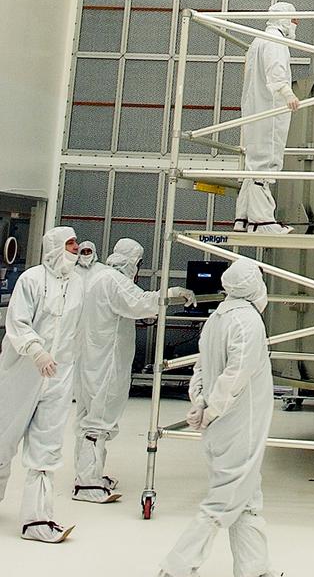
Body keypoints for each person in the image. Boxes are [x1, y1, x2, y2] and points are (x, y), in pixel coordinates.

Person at [156, 256, 280, 577]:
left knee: (248, 500)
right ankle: (176, 572)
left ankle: (255, 574)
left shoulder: (217, 319)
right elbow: (235, 375)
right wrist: (209, 408)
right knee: (221, 504)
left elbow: (201, 367)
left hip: (220, 427)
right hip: (240, 427)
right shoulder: (249, 322)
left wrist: (199, 402)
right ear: (253, 285)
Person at [73, 238, 195, 503]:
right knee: (98, 420)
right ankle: (86, 484)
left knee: (88, 417)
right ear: (133, 262)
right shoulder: (114, 281)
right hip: (106, 362)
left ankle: (89, 474)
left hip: (90, 360)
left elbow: (128, 306)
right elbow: (140, 302)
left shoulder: (98, 276)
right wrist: (173, 294)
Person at [0, 226, 82, 542]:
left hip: (58, 374)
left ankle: (37, 520)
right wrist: (36, 350)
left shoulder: (77, 285)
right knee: (3, 438)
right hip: (22, 371)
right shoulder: (32, 279)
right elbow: (17, 322)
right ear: (55, 247)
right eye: (70, 243)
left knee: (47, 446)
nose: (76, 248)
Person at [233, 1, 301, 235]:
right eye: (294, 20)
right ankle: (263, 222)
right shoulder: (275, 41)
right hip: (269, 109)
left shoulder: (258, 40)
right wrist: (287, 93)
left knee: (254, 163)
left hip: (255, 109)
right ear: (284, 19)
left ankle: (243, 218)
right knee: (266, 162)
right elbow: (276, 70)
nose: (296, 25)